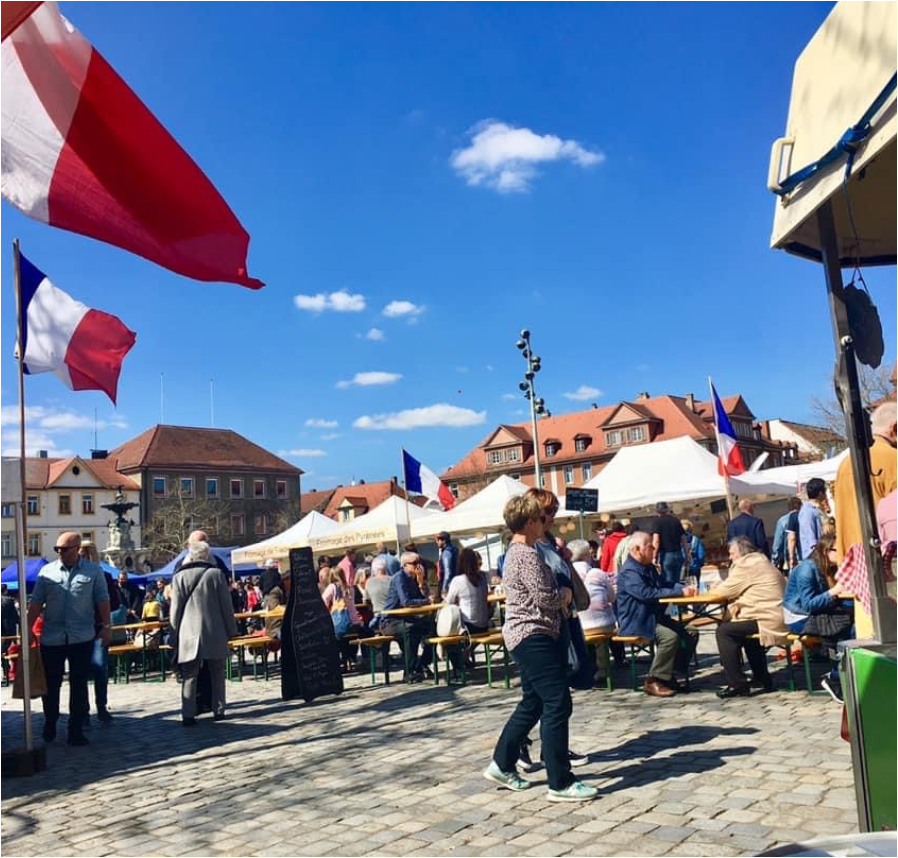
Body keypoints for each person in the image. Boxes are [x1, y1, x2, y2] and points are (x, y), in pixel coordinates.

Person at [483, 494, 597, 802]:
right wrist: (564, 592)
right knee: (558, 702)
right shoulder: (525, 554)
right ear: (530, 522)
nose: (546, 522)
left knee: (533, 702)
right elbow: (545, 599)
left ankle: (502, 763)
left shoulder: (521, 552)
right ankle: (560, 781)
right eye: (541, 517)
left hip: (529, 635)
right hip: (533, 635)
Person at [27, 532, 110, 745]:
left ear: (76, 549)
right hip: (52, 637)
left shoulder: (93, 572)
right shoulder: (47, 572)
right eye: (57, 549)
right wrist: (27, 628)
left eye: (64, 549)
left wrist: (106, 625)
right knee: (51, 684)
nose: (60, 553)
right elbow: (36, 602)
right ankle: (51, 721)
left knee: (79, 683)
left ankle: (75, 729)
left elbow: (102, 599)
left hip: (82, 636)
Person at [616, 531, 698, 698]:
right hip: (637, 620)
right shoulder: (630, 572)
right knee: (669, 636)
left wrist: (681, 587)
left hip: (654, 617)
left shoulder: (648, 567)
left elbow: (663, 584)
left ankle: (670, 674)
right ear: (637, 549)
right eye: (649, 547)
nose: (654, 549)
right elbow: (646, 594)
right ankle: (653, 680)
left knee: (691, 632)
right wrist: (680, 593)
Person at [170, 540, 238, 725]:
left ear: (190, 555)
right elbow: (226, 606)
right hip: (214, 630)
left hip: (188, 631)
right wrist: (232, 630)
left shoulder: (179, 577)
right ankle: (219, 709)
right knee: (217, 672)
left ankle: (188, 713)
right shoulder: (216, 575)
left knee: (189, 674)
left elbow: (175, 610)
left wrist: (173, 632)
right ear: (207, 555)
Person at [712, 537, 789, 698]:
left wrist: (715, 586)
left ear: (742, 553)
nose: (730, 557)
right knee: (744, 632)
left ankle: (737, 683)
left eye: (732, 553)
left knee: (724, 632)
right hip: (776, 615)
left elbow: (723, 591)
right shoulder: (761, 561)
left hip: (767, 619)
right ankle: (762, 677)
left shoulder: (746, 565)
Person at [783, 532, 853, 701]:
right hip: (799, 617)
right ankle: (834, 678)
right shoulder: (806, 569)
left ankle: (843, 673)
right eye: (840, 550)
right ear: (827, 551)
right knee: (849, 631)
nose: (843, 554)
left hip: (819, 611)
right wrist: (834, 592)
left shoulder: (831, 567)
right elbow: (808, 604)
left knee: (854, 616)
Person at [834, 401, 898, 562]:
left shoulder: (846, 463)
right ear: (895, 428)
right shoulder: (893, 459)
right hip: (886, 570)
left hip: (852, 570)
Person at [78, 542, 120, 725]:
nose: (83, 558)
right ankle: (84, 710)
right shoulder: (75, 576)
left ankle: (101, 707)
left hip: (97, 627)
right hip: (79, 629)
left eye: (86, 555)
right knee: (81, 672)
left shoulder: (104, 576)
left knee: (99, 668)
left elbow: (115, 603)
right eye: (81, 554)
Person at [380, 551, 435, 682]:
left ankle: (422, 662)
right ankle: (409, 672)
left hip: (407, 618)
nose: (419, 567)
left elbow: (423, 598)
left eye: (420, 563)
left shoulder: (414, 579)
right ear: (405, 565)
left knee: (432, 626)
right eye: (415, 563)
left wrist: (421, 584)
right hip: (390, 621)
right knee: (409, 630)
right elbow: (407, 602)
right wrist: (426, 601)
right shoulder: (399, 578)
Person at [569, 539, 616, 683]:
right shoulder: (597, 572)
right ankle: (603, 668)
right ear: (586, 555)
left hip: (580, 625)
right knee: (601, 633)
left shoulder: (567, 574)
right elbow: (611, 597)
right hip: (604, 623)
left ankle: (584, 667)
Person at [322, 567, 367, 669]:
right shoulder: (350, 588)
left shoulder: (332, 587)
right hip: (355, 624)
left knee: (335, 635)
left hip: (341, 623)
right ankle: (351, 657)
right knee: (349, 635)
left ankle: (343, 660)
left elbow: (323, 601)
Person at [446, 548, 491, 634]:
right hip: (484, 625)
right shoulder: (483, 577)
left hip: (469, 627)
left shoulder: (458, 580)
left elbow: (449, 602)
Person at [651, 502, 690, 581]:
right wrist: (687, 554)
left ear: (657, 511)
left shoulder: (657, 522)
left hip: (666, 555)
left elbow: (656, 541)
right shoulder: (675, 520)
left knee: (668, 582)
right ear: (667, 509)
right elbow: (683, 539)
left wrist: (653, 556)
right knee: (678, 580)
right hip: (678, 553)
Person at [798, 478, 829, 561]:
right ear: (820, 493)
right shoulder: (808, 511)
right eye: (825, 490)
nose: (826, 493)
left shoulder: (816, 509)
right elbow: (811, 538)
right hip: (814, 558)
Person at [772, 497, 802, 572]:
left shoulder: (782, 521)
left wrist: (775, 559)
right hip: (804, 555)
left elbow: (777, 543)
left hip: (790, 559)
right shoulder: (803, 518)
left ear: (789, 507)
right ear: (800, 505)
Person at [365, 556, 392, 630]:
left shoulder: (369, 582)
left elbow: (366, 600)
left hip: (377, 618)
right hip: (394, 616)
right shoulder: (392, 580)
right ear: (386, 568)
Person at [2, 584, 20, 682]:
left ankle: (6, 672)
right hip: (8, 630)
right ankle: (9, 672)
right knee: (8, 651)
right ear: (6, 590)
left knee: (3, 652)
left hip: (3, 630)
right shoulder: (9, 601)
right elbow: (14, 616)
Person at [681, 520, 706, 586]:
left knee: (683, 588)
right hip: (694, 567)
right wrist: (700, 564)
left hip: (682, 568)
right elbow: (701, 555)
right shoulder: (695, 539)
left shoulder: (678, 540)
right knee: (695, 586)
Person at [436, 531, 459, 596]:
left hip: (448, 584)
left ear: (444, 540)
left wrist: (444, 588)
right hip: (455, 582)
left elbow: (447, 571)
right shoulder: (453, 550)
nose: (437, 542)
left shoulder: (447, 552)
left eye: (438, 540)